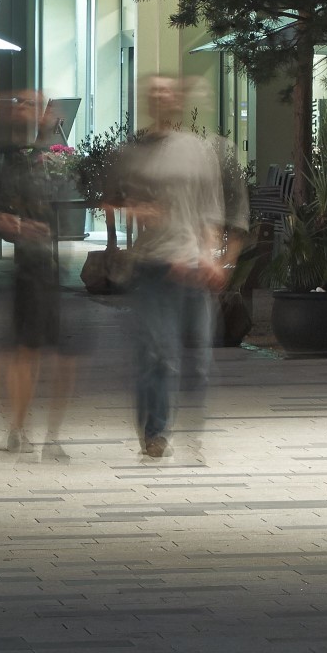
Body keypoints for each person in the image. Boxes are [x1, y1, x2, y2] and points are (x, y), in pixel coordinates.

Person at [112, 73, 235, 460]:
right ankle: (155, 430)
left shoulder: (199, 150)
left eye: (168, 91)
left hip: (192, 265)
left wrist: (211, 255)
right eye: (155, 92)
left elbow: (210, 211)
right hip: (152, 265)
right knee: (159, 353)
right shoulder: (134, 151)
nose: (162, 97)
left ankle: (192, 432)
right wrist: (136, 209)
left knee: (199, 362)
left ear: (177, 100)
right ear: (149, 101)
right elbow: (109, 201)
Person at [0, 88, 78, 456]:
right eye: (23, 105)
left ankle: (50, 436)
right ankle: (20, 429)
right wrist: (23, 228)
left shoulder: (58, 160)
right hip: (28, 269)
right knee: (27, 352)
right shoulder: (13, 160)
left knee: (58, 355)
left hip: (56, 269)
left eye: (35, 106)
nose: (28, 111)